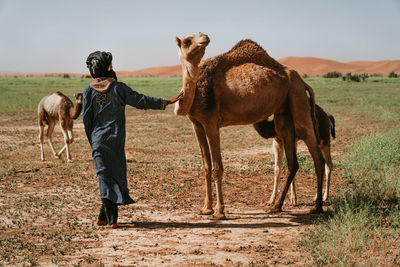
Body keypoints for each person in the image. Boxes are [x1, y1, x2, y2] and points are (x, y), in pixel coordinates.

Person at [82, 51, 181, 228]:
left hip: (97, 140)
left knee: (104, 176)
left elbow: (86, 120)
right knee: (115, 175)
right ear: (109, 67)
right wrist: (165, 102)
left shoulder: (88, 91)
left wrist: (93, 141)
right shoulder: (119, 88)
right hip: (115, 140)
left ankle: (103, 217)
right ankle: (111, 219)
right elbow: (141, 100)